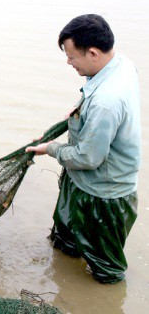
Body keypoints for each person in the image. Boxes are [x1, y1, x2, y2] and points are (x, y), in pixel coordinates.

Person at [26, 14, 140, 284]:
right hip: (80, 184)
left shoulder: (105, 102)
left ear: (92, 53)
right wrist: (73, 119)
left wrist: (51, 148)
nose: (68, 62)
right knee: (64, 245)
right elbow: (92, 107)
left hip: (103, 197)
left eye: (71, 56)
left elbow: (89, 157)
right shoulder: (121, 64)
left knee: (105, 271)